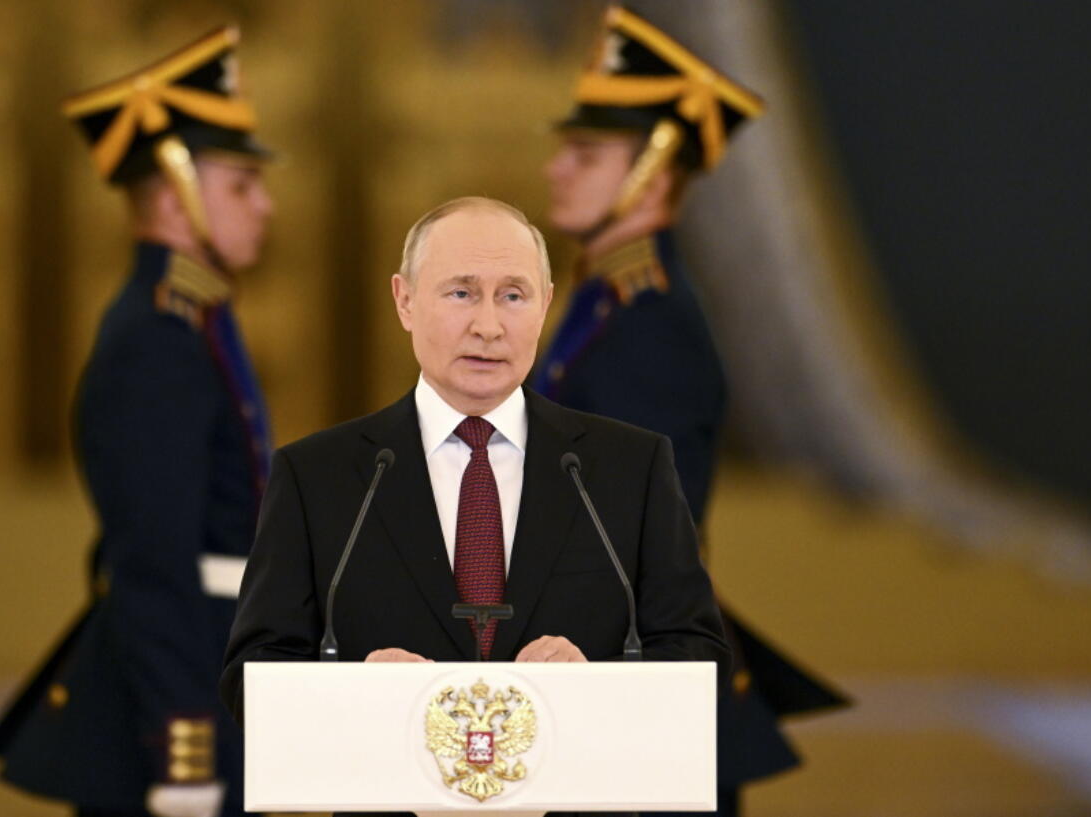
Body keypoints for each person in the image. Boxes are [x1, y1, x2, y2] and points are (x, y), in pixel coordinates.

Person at [220, 197, 729, 724]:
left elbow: (699, 658)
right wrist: (354, 690)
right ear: (405, 300)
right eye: (461, 293)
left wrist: (598, 684)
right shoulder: (316, 478)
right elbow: (252, 675)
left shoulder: (631, 468)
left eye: (513, 296)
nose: (488, 326)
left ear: (546, 304)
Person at [532, 6, 846, 816]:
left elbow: (635, 546)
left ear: (657, 172)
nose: (556, 169)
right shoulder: (608, 307)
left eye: (587, 154)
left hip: (634, 695)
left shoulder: (647, 330)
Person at [0, 26, 274, 817]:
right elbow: (153, 566)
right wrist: (184, 750)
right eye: (242, 183)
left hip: (219, 669)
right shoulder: (156, 341)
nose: (266, 204)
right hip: (176, 706)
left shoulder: (195, 319)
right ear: (178, 190)